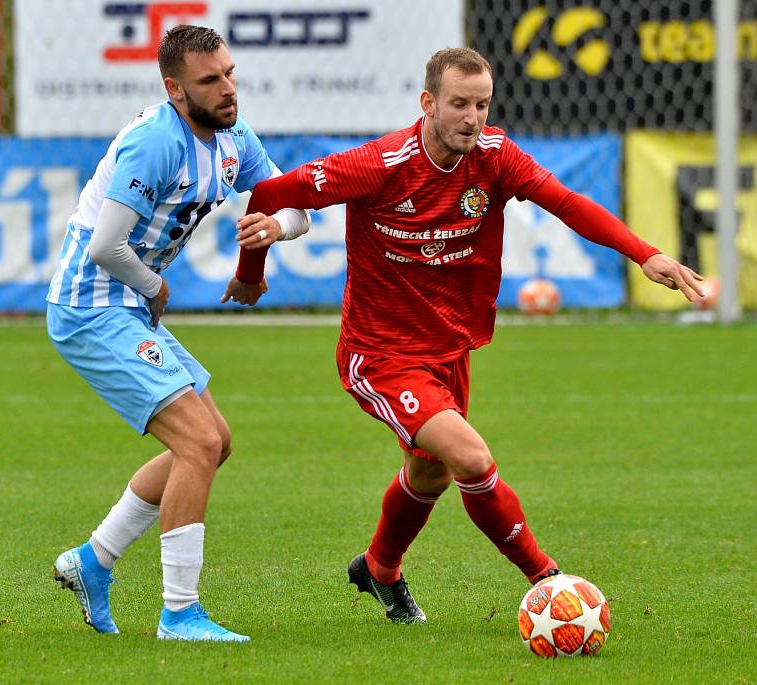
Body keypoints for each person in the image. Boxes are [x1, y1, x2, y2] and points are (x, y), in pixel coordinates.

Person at [223, 47, 704, 624]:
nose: (472, 118)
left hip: (449, 347)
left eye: (482, 104)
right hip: (379, 354)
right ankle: (550, 584)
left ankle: (378, 570)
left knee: (431, 471)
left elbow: (568, 204)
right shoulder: (379, 164)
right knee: (472, 459)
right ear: (428, 104)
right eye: (458, 104)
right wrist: (250, 277)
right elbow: (276, 195)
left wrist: (644, 254)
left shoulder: (496, 156)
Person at [46, 25, 309, 641]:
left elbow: (293, 201)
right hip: (92, 305)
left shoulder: (232, 138)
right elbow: (108, 247)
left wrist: (277, 228)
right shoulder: (154, 144)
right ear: (174, 88)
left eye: (229, 73)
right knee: (197, 443)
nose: (228, 90)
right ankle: (179, 614)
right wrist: (155, 287)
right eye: (210, 81)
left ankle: (93, 559)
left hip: (127, 306)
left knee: (215, 440)